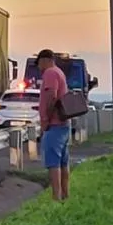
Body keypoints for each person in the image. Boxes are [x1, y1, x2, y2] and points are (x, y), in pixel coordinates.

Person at [37, 48, 71, 201]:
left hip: (54, 124)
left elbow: (51, 96)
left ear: (44, 60)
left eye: (39, 64)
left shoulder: (50, 73)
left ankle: (56, 197)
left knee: (53, 163)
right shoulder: (59, 72)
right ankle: (65, 194)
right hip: (63, 124)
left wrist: (46, 120)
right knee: (63, 162)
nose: (39, 68)